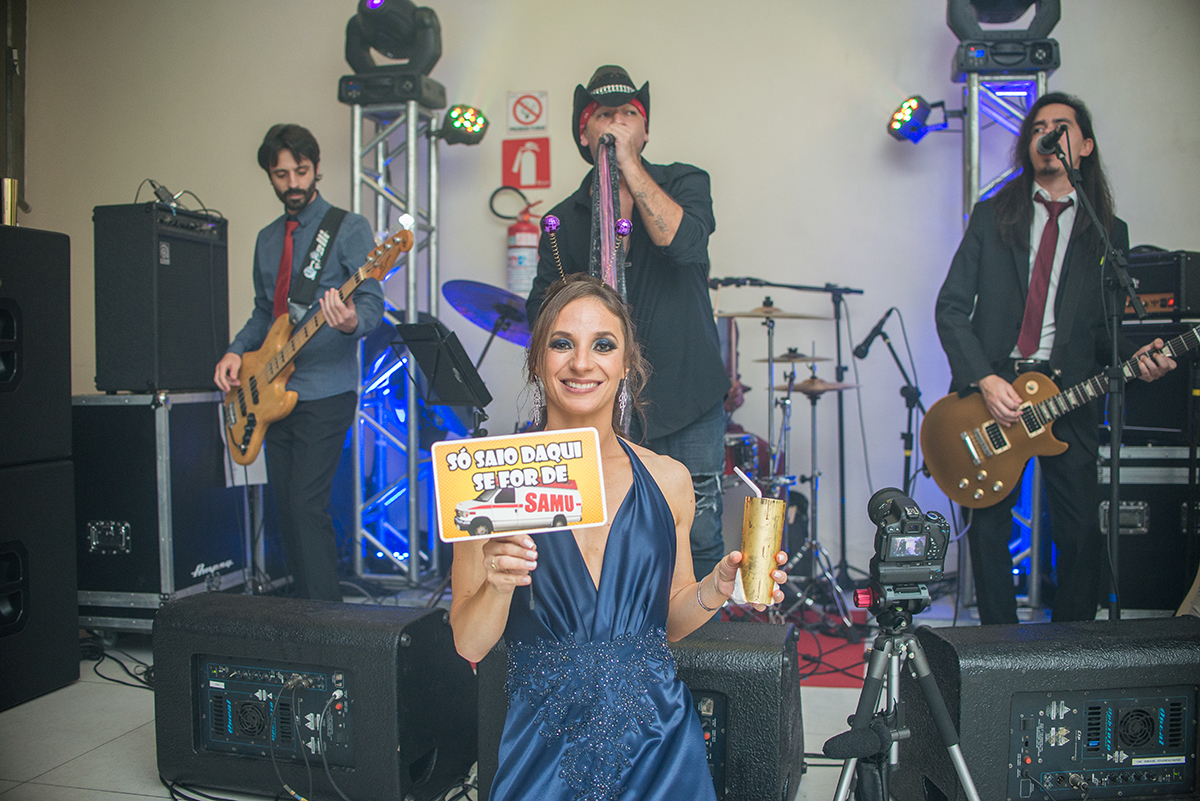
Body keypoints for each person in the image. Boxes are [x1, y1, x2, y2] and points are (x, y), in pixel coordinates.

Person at [452, 275, 786, 801]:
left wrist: (718, 587)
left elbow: (670, 625)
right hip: (543, 755)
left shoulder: (669, 480)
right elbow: (469, 642)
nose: (582, 363)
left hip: (661, 750)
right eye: (562, 343)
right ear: (537, 360)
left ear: (626, 364)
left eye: (602, 345)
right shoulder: (492, 481)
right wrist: (496, 584)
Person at [935, 92, 1175, 625]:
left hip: (1070, 395)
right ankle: (996, 655)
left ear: (1083, 145)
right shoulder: (993, 215)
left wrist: (1141, 363)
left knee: (1081, 533)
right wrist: (985, 379)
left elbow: (1106, 336)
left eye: (1061, 127)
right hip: (995, 392)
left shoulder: (1109, 233)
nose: (1048, 135)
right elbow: (950, 308)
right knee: (991, 531)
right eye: (1039, 127)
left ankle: (1071, 654)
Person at [526, 65, 731, 582]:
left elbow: (683, 243)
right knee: (611, 535)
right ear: (583, 132)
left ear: (644, 130)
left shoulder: (685, 182)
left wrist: (630, 168)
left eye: (628, 114)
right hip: (600, 408)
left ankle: (708, 659)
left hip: (685, 398)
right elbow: (540, 312)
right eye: (602, 116)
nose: (615, 124)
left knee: (699, 535)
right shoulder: (562, 219)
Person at [214, 124, 383, 601]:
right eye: (282, 174)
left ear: (316, 169)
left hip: (325, 389)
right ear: (270, 175)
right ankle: (302, 618)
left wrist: (348, 320)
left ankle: (328, 624)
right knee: (285, 509)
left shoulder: (348, 228)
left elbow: (372, 304)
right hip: (268, 392)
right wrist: (233, 351)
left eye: (301, 172)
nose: (293, 183)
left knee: (307, 505)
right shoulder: (268, 239)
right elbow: (264, 313)